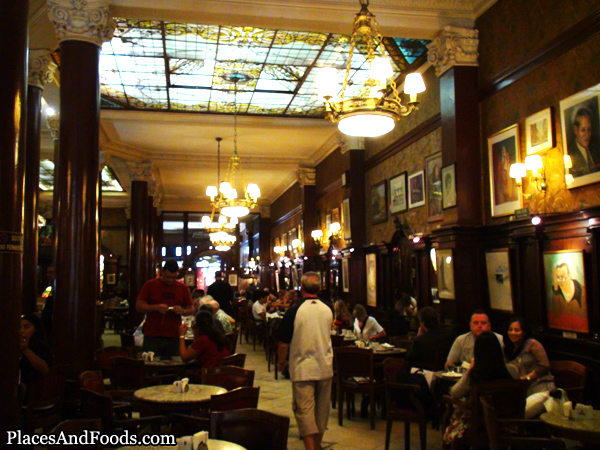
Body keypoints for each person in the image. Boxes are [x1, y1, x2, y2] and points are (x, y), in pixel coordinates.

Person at [276, 272, 333, 450]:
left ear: (301, 288)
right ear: (320, 288)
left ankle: (311, 448)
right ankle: (316, 445)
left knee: (304, 411)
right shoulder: (328, 309)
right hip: (325, 365)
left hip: (303, 368)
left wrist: (281, 362)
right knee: (321, 412)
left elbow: (284, 343)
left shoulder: (294, 311)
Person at [443, 331, 519, 445]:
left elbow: (455, 393)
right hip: (507, 421)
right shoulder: (512, 370)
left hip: (478, 423)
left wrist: (470, 370)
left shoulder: (475, 374)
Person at [136, 260, 194, 359]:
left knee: (174, 366)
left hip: (174, 335)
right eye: (168, 277)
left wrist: (183, 311)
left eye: (174, 277)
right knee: (151, 365)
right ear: (162, 272)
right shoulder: (150, 285)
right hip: (153, 334)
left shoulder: (183, 288)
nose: (171, 280)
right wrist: (156, 307)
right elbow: (139, 306)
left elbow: (191, 309)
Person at [504, 317, 555, 418]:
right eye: (510, 330)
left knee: (518, 414)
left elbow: (545, 365)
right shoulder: (509, 347)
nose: (513, 333)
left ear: (524, 332)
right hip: (524, 391)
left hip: (541, 389)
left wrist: (527, 378)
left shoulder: (532, 344)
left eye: (517, 330)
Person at [549, 262, 588, 332]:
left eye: (563, 277)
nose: (561, 281)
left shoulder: (582, 291)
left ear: (569, 275)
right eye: (558, 277)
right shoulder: (556, 292)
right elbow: (555, 316)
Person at [20, 314, 53, 388]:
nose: (21, 331)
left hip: (36, 389)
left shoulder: (41, 345)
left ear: (36, 329)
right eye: (19, 327)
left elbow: (45, 370)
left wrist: (25, 349)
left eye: (26, 327)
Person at [567, 107, 600, 177]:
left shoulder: (596, 150)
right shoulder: (570, 154)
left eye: (589, 129)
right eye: (583, 130)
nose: (587, 134)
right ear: (576, 130)